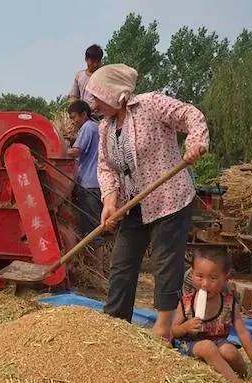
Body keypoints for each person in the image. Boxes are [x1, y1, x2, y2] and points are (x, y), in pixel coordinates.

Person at [85, 63, 209, 340]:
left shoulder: (151, 105)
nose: (93, 103)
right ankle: (115, 323)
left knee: (165, 263)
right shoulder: (105, 127)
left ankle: (163, 329)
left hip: (170, 199)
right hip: (133, 204)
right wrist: (109, 202)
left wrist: (195, 143)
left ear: (115, 93)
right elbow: (106, 168)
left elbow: (191, 114)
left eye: (97, 97)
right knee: (122, 263)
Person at [172, 248, 252, 383]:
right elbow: (174, 330)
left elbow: (243, 333)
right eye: (199, 276)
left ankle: (242, 376)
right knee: (208, 347)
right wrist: (186, 327)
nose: (205, 284)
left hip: (218, 341)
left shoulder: (229, 303)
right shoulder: (186, 301)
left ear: (225, 279)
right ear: (192, 273)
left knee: (230, 351)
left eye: (213, 278)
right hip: (190, 344)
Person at [66, 100, 105, 266]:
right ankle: (93, 268)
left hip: (88, 185)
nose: (72, 121)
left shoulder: (87, 127)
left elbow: (76, 151)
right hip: (95, 184)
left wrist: (53, 150)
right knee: (91, 227)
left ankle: (98, 271)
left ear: (83, 114)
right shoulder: (95, 127)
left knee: (92, 230)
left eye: (74, 117)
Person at [69, 44, 103, 116]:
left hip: (100, 117)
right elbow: (74, 96)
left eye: (97, 61)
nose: (95, 65)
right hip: (84, 116)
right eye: (93, 61)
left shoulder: (104, 76)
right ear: (86, 59)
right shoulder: (79, 76)